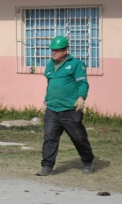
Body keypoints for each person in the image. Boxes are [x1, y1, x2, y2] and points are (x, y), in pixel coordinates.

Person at [36, 35, 94, 176]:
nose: (54, 52)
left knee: (78, 137)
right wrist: (46, 101)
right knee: (49, 138)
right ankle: (47, 166)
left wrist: (81, 98)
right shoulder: (50, 65)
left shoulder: (76, 64)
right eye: (52, 50)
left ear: (65, 51)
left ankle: (88, 161)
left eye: (57, 50)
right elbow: (51, 85)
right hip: (52, 109)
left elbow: (82, 83)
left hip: (70, 109)